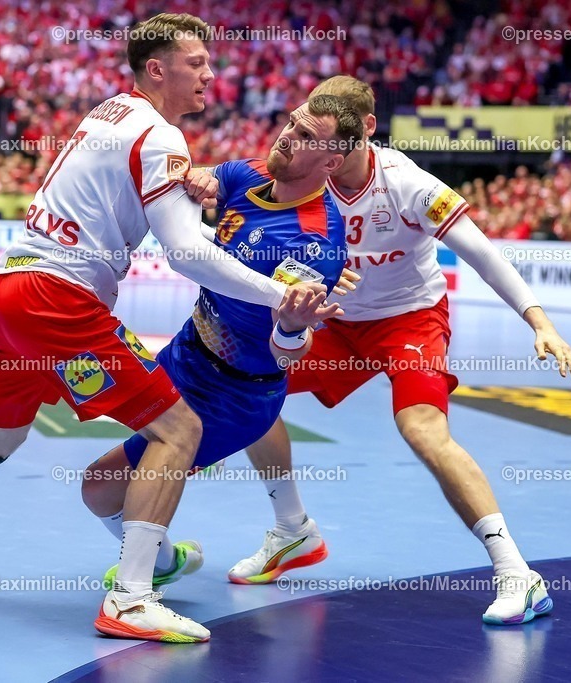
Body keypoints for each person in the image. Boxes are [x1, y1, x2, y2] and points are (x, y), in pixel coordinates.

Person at [0, 13, 336, 644]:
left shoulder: (110, 112)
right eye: (197, 63)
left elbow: (181, 231)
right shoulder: (162, 138)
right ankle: (129, 599)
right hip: (60, 298)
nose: (211, 73)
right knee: (179, 429)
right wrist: (279, 290)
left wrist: (204, 209)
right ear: (158, 68)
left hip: (11, 289)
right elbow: (185, 253)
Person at [231, 76, 571, 626]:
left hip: (408, 319)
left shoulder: (407, 184)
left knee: (423, 428)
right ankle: (292, 530)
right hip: (337, 321)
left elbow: (484, 255)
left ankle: (517, 572)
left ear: (365, 128)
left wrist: (540, 322)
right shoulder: (301, 172)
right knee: (246, 386)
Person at [79, 95, 362, 596]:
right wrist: (204, 175)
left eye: (304, 136)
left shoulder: (314, 242)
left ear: (331, 162)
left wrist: (293, 328)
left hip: (234, 396)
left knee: (100, 489)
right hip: (184, 353)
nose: (287, 135)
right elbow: (213, 179)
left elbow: (284, 355)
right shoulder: (249, 174)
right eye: (291, 122)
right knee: (100, 485)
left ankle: (139, 585)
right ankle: (167, 560)